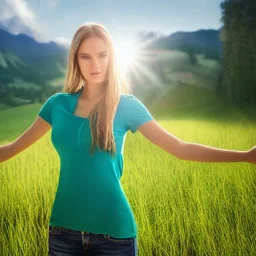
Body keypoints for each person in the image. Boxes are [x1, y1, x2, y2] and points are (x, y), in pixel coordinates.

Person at [0, 22, 255, 256]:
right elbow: (12, 148)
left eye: (102, 55)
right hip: (62, 234)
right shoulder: (57, 105)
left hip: (114, 237)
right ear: (75, 61)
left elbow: (180, 148)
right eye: (85, 57)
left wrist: (245, 156)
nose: (95, 65)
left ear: (113, 58)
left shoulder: (126, 105)